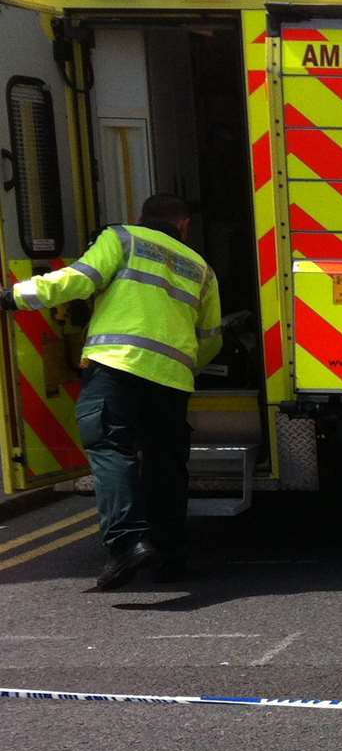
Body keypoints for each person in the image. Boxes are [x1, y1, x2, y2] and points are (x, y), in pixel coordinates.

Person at [1, 193, 221, 590]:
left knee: (110, 448)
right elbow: (210, 338)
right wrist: (183, 366)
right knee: (166, 467)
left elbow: (77, 280)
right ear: (184, 225)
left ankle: (127, 543)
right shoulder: (201, 268)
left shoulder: (123, 239)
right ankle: (170, 556)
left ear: (142, 216)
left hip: (116, 365)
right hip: (172, 379)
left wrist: (13, 296)